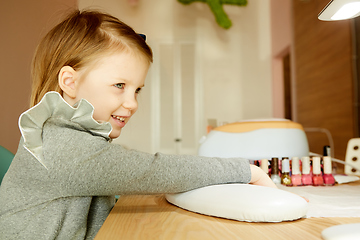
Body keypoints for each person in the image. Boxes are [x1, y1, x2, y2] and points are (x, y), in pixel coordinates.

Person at [0, 10, 276, 240]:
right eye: (119, 85)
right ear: (69, 82)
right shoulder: (63, 145)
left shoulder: (69, 136)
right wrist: (246, 171)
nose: (132, 103)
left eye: (137, 90)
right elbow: (154, 171)